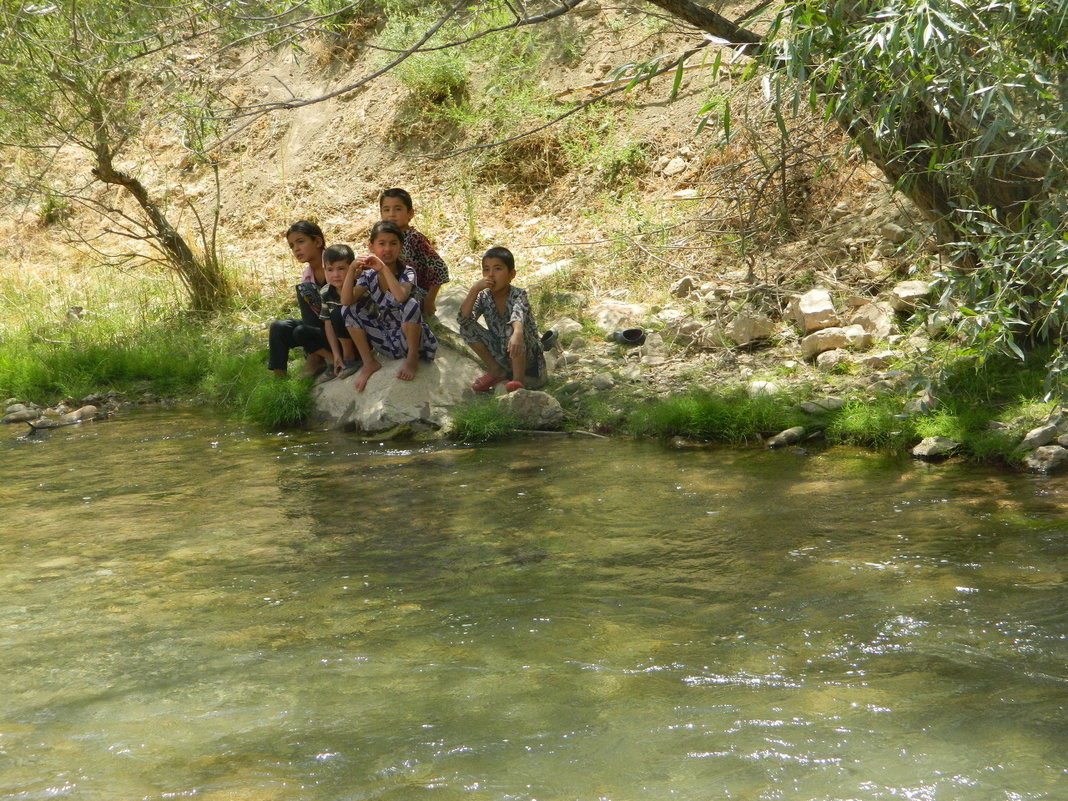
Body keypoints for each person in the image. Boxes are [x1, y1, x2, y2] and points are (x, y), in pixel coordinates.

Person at [341, 221, 438, 392]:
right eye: (382, 244)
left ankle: (412, 359)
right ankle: (369, 363)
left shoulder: (408, 271)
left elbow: (401, 296)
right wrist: (350, 271)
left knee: (411, 304)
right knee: (348, 310)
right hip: (385, 338)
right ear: (371, 247)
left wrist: (383, 268)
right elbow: (346, 301)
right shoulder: (368, 275)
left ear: (400, 246)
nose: (387, 249)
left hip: (408, 337)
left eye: (393, 243)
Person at [267, 221, 354, 378]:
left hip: (343, 329)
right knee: (279, 327)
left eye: (301, 241)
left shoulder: (337, 263)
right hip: (322, 328)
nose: (296, 249)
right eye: (292, 246)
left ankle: (318, 358)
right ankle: (279, 381)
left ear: (318, 241)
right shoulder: (308, 275)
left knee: (304, 294)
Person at [458, 246, 546, 392]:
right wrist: (474, 289)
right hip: (501, 351)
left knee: (514, 330)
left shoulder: (519, 294)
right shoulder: (484, 297)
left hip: (526, 353)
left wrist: (517, 333)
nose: (491, 275)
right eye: (486, 269)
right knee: (466, 327)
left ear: (511, 274)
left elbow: (518, 316)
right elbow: (463, 319)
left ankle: (518, 380)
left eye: (497, 269)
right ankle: (496, 371)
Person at [379, 188, 450, 317]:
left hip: (414, 293)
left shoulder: (414, 238)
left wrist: (430, 300)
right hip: (391, 289)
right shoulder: (381, 238)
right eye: (386, 209)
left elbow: (440, 269)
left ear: (410, 213)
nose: (391, 214)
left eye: (398, 209)